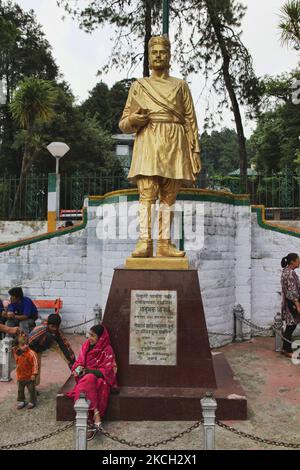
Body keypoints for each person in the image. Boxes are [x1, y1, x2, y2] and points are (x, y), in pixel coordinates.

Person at [119, 35, 201, 258]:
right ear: (148, 57)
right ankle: (144, 242)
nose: (158, 55)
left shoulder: (180, 86)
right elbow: (124, 123)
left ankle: (164, 244)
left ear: (169, 56)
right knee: (147, 194)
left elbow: (190, 120)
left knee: (169, 198)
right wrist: (135, 120)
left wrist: (195, 150)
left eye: (162, 52)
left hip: (175, 142)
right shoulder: (139, 86)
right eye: (154, 52)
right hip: (148, 140)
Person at [65, 325, 118, 441]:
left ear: (101, 338)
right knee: (88, 379)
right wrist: (77, 371)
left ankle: (89, 421)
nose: (90, 337)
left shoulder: (107, 349)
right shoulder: (86, 345)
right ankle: (95, 413)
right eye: (89, 334)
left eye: (93, 336)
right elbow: (80, 362)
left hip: (100, 377)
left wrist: (89, 371)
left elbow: (109, 370)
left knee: (97, 384)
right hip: (84, 377)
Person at [28, 313, 75, 386]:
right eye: (52, 326)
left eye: (57, 327)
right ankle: (32, 387)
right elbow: (29, 342)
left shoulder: (56, 332)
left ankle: (75, 370)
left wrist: (71, 358)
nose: (54, 329)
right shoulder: (40, 330)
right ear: (48, 324)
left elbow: (64, 344)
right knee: (35, 368)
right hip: (34, 347)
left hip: (48, 343)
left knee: (67, 353)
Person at [281, 253, 300, 357]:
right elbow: (291, 291)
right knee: (291, 326)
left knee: (290, 326)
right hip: (291, 303)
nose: (299, 261)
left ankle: (285, 348)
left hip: (288, 302)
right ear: (293, 261)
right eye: (298, 259)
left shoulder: (285, 271)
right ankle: (287, 350)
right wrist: (297, 304)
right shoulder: (290, 273)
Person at [13, 333, 39, 409]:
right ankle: (22, 401)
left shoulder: (31, 353)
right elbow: (14, 348)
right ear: (18, 346)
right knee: (20, 390)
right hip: (20, 376)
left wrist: (34, 374)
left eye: (27, 343)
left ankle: (32, 401)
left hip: (29, 376)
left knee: (31, 390)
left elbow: (35, 364)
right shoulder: (16, 352)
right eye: (23, 345)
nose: (26, 346)